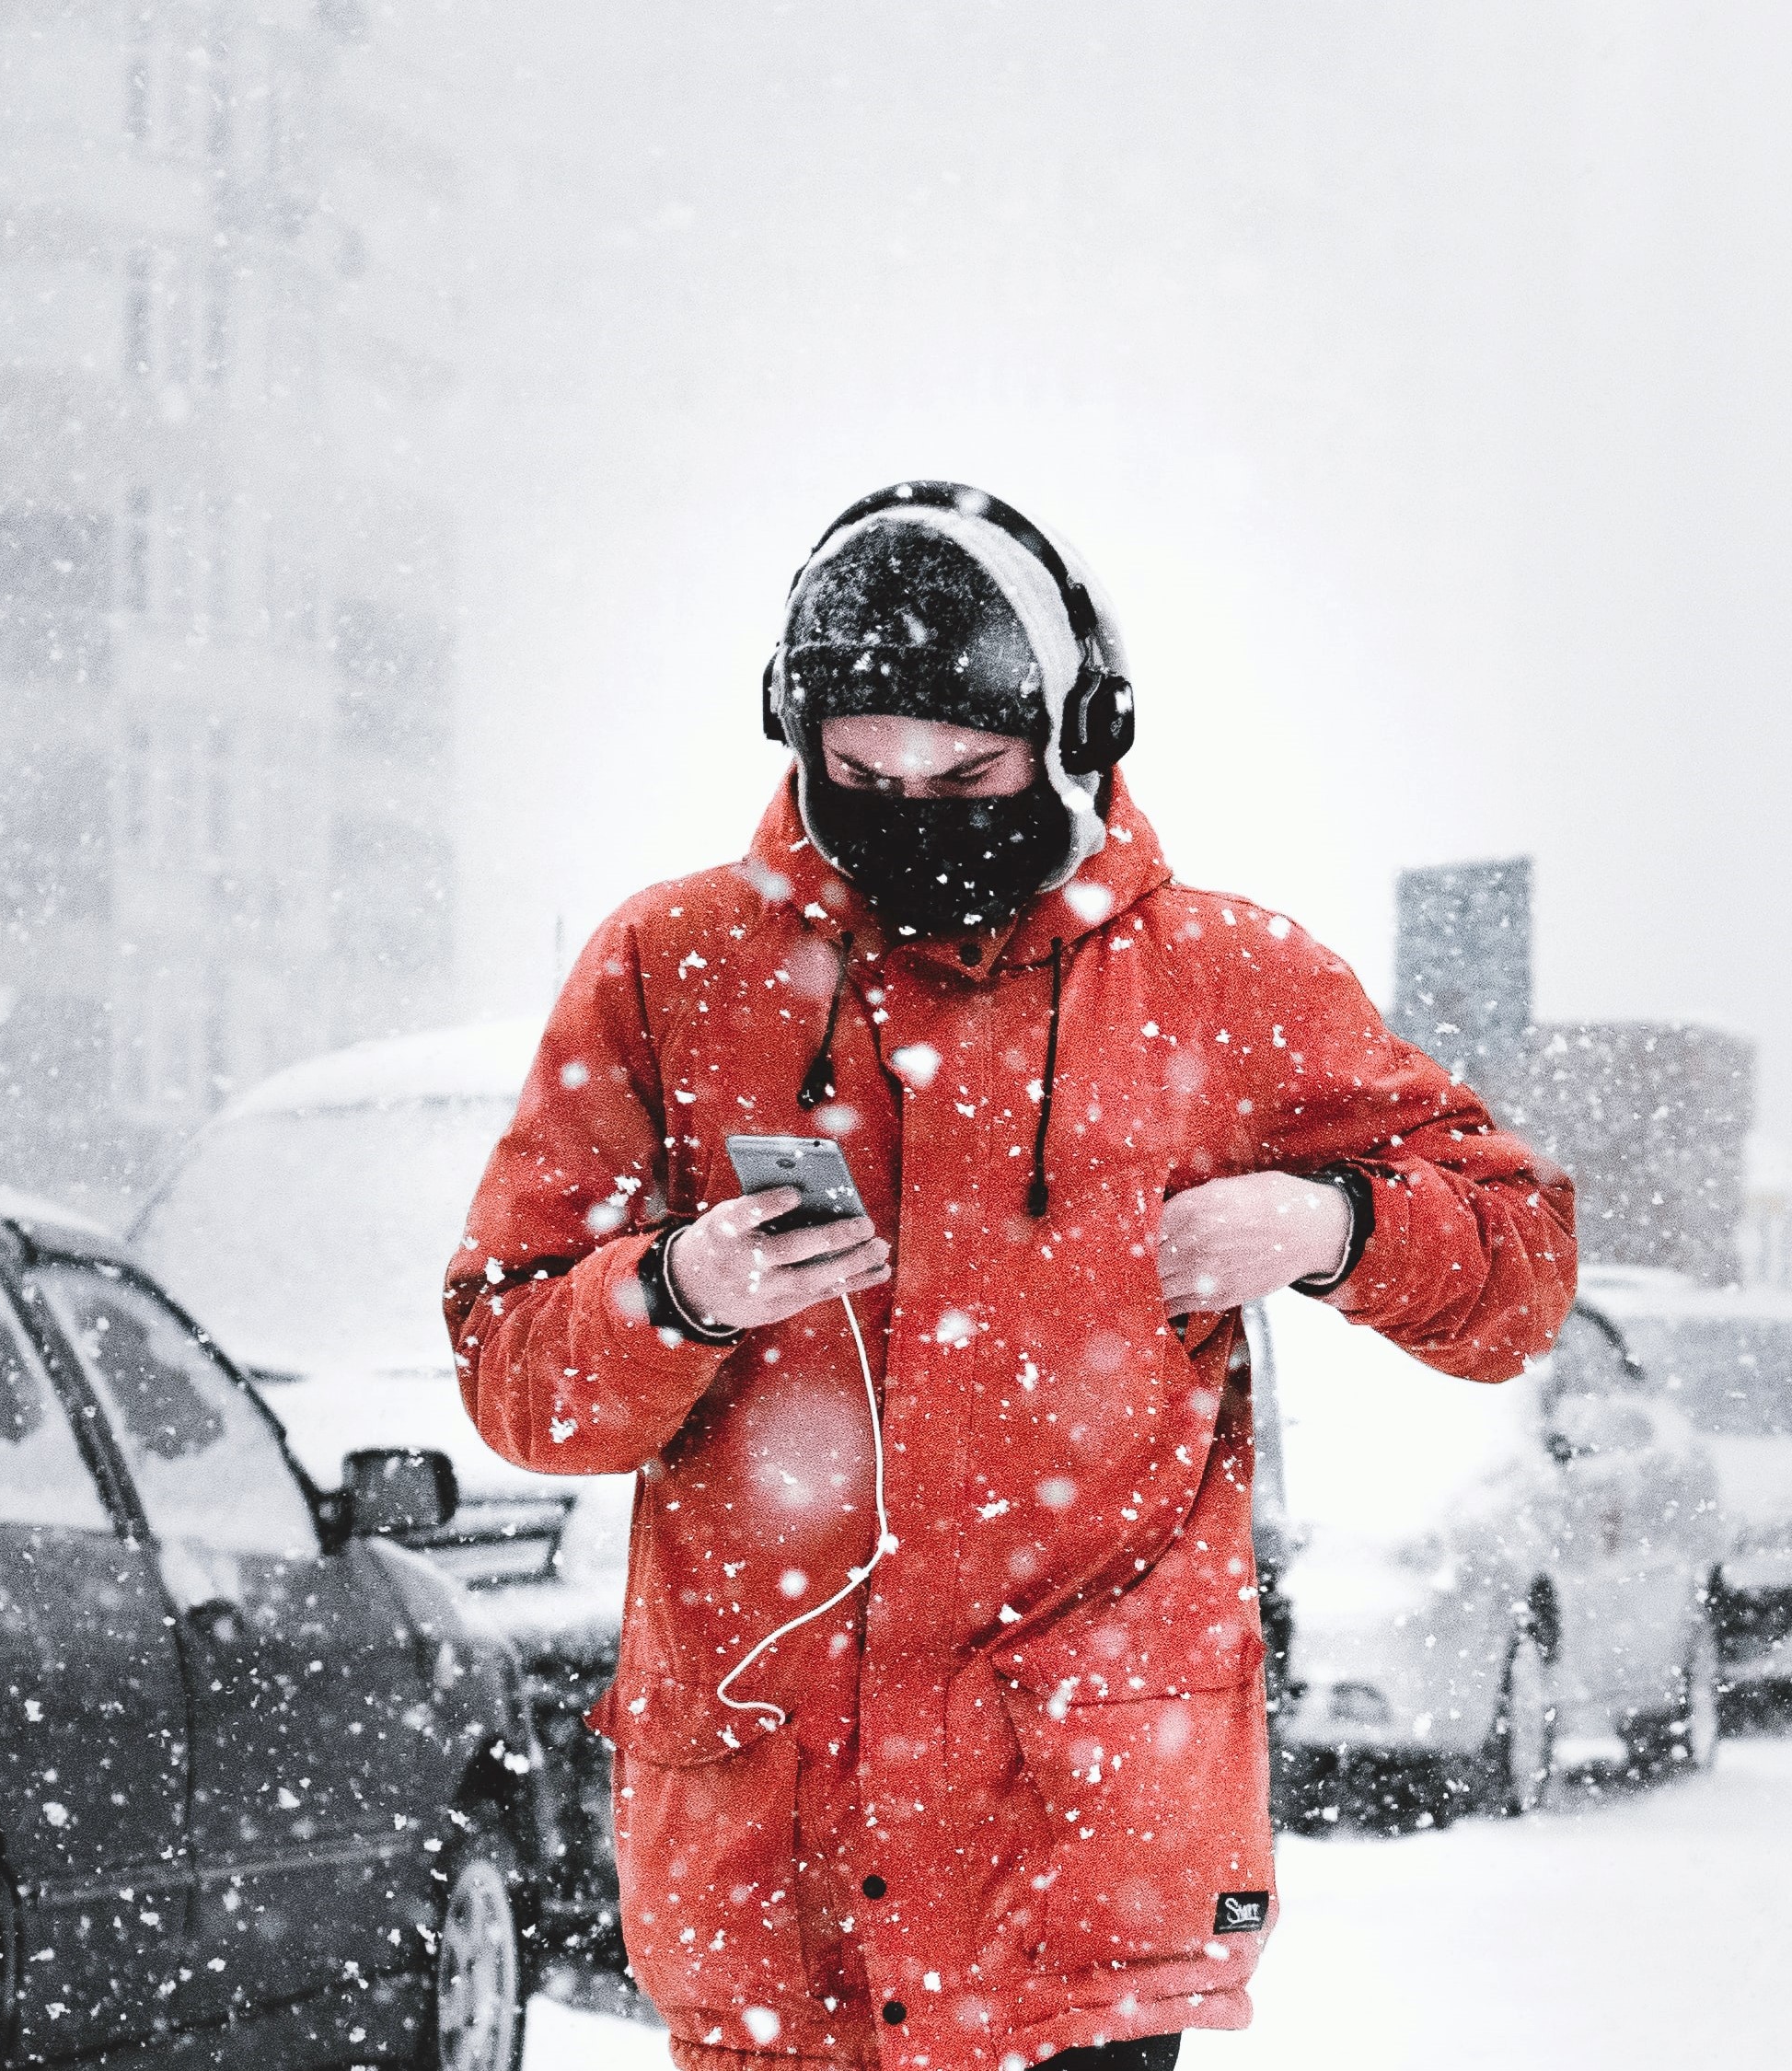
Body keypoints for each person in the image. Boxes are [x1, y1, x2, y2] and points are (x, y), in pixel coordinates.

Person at [446, 482, 1576, 2070]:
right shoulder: (672, 971)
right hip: (776, 1898)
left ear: (1077, 735)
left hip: (1080, 1879)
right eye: (861, 773)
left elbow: (1521, 1263)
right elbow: (510, 1365)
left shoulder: (1222, 984)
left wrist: (1331, 1228)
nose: (914, 809)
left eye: (966, 774)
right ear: (798, 739)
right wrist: (676, 1291)